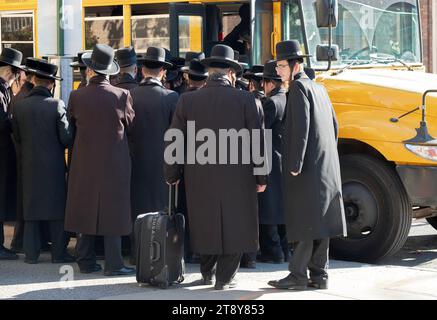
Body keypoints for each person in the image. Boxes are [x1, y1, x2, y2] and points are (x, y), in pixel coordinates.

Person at [164, 44, 267, 290]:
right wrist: (261, 176)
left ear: (209, 72)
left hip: (199, 174)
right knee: (236, 223)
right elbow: (258, 142)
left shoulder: (187, 100)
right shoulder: (247, 100)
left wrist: (172, 174)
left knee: (204, 222)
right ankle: (225, 278)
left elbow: (174, 140)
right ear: (232, 73)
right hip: (238, 174)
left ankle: (207, 273)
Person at [268, 40, 346, 290]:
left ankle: (298, 275)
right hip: (325, 166)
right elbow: (334, 125)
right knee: (320, 221)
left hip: (306, 168)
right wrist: (326, 156)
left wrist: (295, 163)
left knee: (303, 221)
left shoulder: (300, 88)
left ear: (295, 64)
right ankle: (319, 276)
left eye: (281, 65)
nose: (278, 71)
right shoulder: (319, 88)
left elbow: (300, 128)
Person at [64, 44, 135, 276]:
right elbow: (130, 126)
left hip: (84, 163)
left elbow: (71, 128)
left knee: (84, 207)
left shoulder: (76, 95)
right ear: (109, 71)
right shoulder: (122, 95)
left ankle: (85, 261)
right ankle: (113, 264)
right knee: (113, 210)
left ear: (90, 70)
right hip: (114, 163)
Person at [11, 59, 74, 264]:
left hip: (28, 165)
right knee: (56, 210)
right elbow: (66, 138)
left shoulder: (20, 106)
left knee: (31, 210)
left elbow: (17, 138)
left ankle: (31, 255)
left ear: (35, 79)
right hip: (53, 166)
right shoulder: (57, 105)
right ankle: (58, 253)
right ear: (51, 84)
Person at [129, 47, 178, 264]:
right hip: (162, 162)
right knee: (160, 210)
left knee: (136, 209)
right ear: (162, 72)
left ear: (141, 70)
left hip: (134, 161)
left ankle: (136, 254)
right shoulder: (171, 97)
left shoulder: (129, 94)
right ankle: (158, 255)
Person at [256, 60, 288, 263]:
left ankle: (273, 252)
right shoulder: (289, 99)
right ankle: (284, 250)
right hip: (285, 160)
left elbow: (261, 133)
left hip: (271, 162)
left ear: (269, 83)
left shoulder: (271, 103)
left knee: (268, 209)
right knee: (282, 209)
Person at [0, 48, 23, 260]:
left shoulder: (4, 89)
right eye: (16, 74)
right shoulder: (0, 89)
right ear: (10, 71)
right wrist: (16, 122)